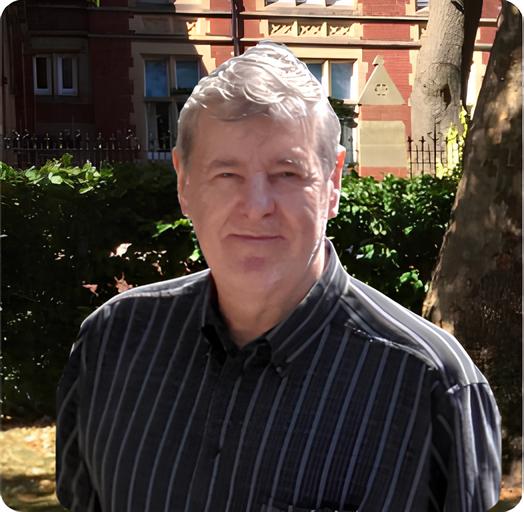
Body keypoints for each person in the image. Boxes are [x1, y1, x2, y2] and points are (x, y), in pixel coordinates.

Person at [56, 41, 501, 512]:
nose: (257, 206)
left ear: (333, 183)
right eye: (226, 174)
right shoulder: (110, 344)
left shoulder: (431, 386)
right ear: (184, 183)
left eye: (287, 174)